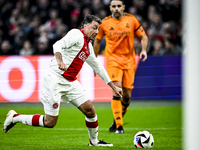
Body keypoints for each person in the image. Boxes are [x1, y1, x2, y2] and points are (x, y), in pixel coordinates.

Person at [3, 14, 123, 147]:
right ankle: (15, 117)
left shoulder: (88, 47)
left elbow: (98, 67)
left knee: (90, 111)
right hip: (55, 79)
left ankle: (94, 142)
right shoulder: (76, 34)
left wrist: (113, 87)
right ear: (85, 26)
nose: (96, 31)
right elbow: (57, 44)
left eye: (98, 29)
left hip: (71, 82)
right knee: (50, 122)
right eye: (94, 28)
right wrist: (59, 61)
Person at [93, 0, 148, 134]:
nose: (116, 8)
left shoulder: (132, 20)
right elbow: (97, 41)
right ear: (110, 8)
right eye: (114, 6)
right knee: (117, 90)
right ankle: (119, 127)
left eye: (119, 6)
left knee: (127, 96)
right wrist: (94, 62)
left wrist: (144, 50)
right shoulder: (104, 23)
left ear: (123, 7)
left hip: (129, 62)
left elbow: (144, 36)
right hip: (113, 61)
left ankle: (116, 120)